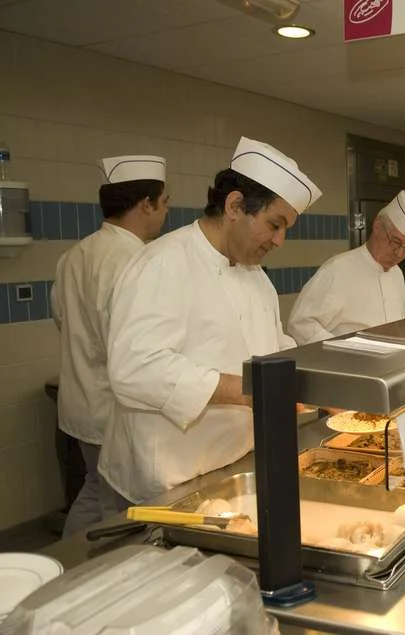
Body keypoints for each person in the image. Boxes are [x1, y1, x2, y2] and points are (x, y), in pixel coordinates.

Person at [102, 137, 319, 506]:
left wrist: (320, 380)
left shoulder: (257, 277)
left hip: (234, 468)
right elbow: (134, 368)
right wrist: (246, 390)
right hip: (169, 481)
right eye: (275, 224)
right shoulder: (163, 264)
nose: (280, 241)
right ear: (235, 206)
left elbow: (273, 344)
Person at [50, 155, 168, 534]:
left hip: (81, 404)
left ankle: (64, 568)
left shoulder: (74, 255)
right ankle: (90, 579)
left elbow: (61, 319)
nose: (165, 211)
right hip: (114, 409)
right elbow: (136, 346)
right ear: (146, 204)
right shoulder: (137, 260)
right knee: (118, 508)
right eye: (164, 202)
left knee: (93, 489)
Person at [287, 190, 405, 344]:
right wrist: (347, 350)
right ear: (378, 226)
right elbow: (300, 324)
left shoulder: (397, 274)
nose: (400, 253)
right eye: (396, 241)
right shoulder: (338, 270)